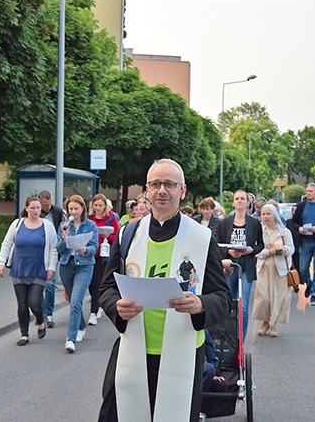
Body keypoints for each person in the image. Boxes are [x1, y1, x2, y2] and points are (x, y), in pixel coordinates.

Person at [98, 159, 232, 422]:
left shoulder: (202, 238)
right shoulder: (128, 234)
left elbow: (223, 298)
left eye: (169, 184)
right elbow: (106, 288)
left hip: (182, 354)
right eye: (155, 184)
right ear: (147, 191)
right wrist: (116, 306)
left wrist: (201, 304)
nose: (162, 190)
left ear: (182, 191)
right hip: (133, 349)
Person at [0, 196, 58, 346]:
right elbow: (7, 243)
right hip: (19, 268)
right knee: (22, 303)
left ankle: (40, 320)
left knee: (34, 301)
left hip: (39, 269)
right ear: (26, 208)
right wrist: (1, 263)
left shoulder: (47, 226)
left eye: (38, 208)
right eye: (33, 208)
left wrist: (51, 268)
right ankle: (24, 334)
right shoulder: (17, 224)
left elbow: (53, 249)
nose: (36, 211)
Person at [217, 190, 264, 340]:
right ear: (233, 202)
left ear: (247, 202)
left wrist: (251, 250)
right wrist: (229, 252)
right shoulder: (224, 222)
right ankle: (227, 336)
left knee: (243, 305)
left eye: (242, 198)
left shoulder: (254, 223)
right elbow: (217, 245)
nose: (239, 201)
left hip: (246, 266)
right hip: (229, 266)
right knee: (229, 302)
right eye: (236, 198)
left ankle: (240, 340)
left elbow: (260, 245)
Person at [56, 195, 99, 353]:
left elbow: (94, 247)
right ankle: (80, 325)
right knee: (73, 301)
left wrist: (85, 249)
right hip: (67, 265)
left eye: (76, 208)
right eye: (70, 209)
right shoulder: (64, 225)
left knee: (76, 300)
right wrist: (64, 238)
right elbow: (59, 249)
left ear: (83, 209)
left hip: (84, 266)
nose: (73, 211)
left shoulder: (91, 225)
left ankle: (70, 339)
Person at [252, 204, 295, 337]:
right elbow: (255, 250)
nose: (265, 217)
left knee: (277, 297)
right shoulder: (259, 230)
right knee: (264, 297)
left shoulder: (284, 231)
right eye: (263, 214)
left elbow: (292, 248)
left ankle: (274, 325)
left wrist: (284, 250)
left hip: (279, 269)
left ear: (274, 215)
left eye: (268, 214)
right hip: (264, 268)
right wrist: (268, 252)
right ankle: (264, 322)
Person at [88, 194, 121, 326]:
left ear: (105, 206)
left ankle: (93, 312)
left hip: (104, 254)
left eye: (100, 205)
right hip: (91, 254)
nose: (98, 208)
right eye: (95, 205)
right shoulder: (89, 218)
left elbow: (117, 236)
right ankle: (97, 303)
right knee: (91, 285)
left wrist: (107, 236)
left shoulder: (111, 217)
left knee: (97, 283)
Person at [38, 190, 66, 328]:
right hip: (36, 252)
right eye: (45, 205)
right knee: (37, 286)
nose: (48, 207)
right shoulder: (35, 211)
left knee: (49, 284)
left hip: (52, 251)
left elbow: (64, 227)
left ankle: (48, 313)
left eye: (49, 204)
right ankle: (41, 312)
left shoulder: (58, 212)